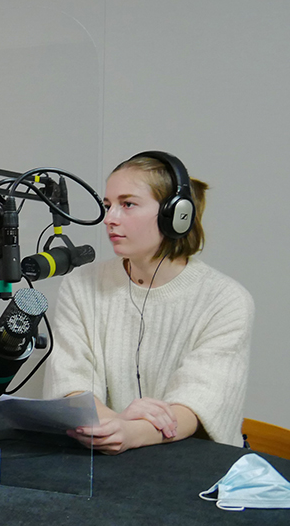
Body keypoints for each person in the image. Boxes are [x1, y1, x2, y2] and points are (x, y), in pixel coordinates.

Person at [43, 151, 254, 454]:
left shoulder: (226, 300)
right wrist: (115, 425)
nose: (110, 218)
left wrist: (130, 432)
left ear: (176, 215)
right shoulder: (81, 284)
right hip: (102, 455)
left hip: (191, 463)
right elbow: (71, 382)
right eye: (108, 205)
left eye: (127, 204)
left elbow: (199, 403)